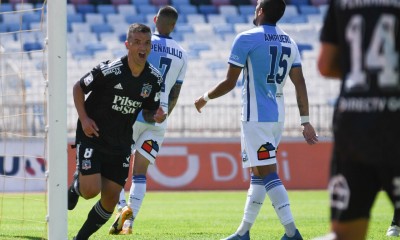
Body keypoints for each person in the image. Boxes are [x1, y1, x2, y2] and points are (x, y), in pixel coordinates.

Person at [194, 0, 318, 239]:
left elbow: (230, 82)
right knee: (258, 173)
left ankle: (292, 233)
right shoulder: (290, 42)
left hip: (256, 117)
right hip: (276, 118)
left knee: (268, 172)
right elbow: (299, 82)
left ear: (260, 11)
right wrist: (305, 120)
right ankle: (243, 232)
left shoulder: (246, 38)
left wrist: (205, 97)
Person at [68, 23, 167, 240]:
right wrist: (84, 119)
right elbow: (78, 87)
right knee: (90, 191)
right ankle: (77, 187)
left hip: (121, 142)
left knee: (111, 200)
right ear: (128, 45)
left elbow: (149, 112)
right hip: (92, 135)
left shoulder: (154, 79)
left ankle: (79, 239)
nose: (143, 47)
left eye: (147, 43)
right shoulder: (110, 70)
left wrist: (156, 115)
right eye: (137, 42)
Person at [316, 0, 400, 239]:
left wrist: (363, 72)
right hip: (396, 122)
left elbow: (324, 65)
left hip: (353, 127)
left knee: (344, 235)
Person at [108, 5, 188, 235]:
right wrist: (162, 116)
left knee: (115, 167)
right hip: (159, 118)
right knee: (140, 172)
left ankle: (122, 208)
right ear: (174, 25)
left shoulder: (144, 44)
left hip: (134, 113)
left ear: (155, 20)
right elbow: (175, 93)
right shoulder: (183, 54)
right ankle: (130, 222)